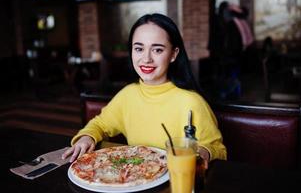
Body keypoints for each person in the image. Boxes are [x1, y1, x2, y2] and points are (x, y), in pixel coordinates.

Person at [62, 13, 227, 164]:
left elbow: (218, 149)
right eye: (139, 48)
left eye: (157, 50)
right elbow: (99, 124)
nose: (146, 58)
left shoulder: (191, 102)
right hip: (135, 178)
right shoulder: (128, 95)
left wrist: (202, 153)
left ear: (173, 54)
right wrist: (86, 138)